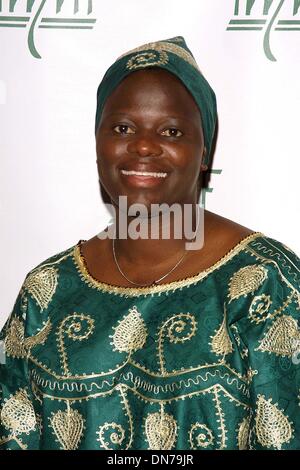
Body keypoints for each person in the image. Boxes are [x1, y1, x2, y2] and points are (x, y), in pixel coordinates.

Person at [0, 36, 299, 451]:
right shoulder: (48, 291)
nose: (142, 145)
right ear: (98, 143)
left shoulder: (262, 281)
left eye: (171, 131)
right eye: (123, 128)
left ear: (205, 152)